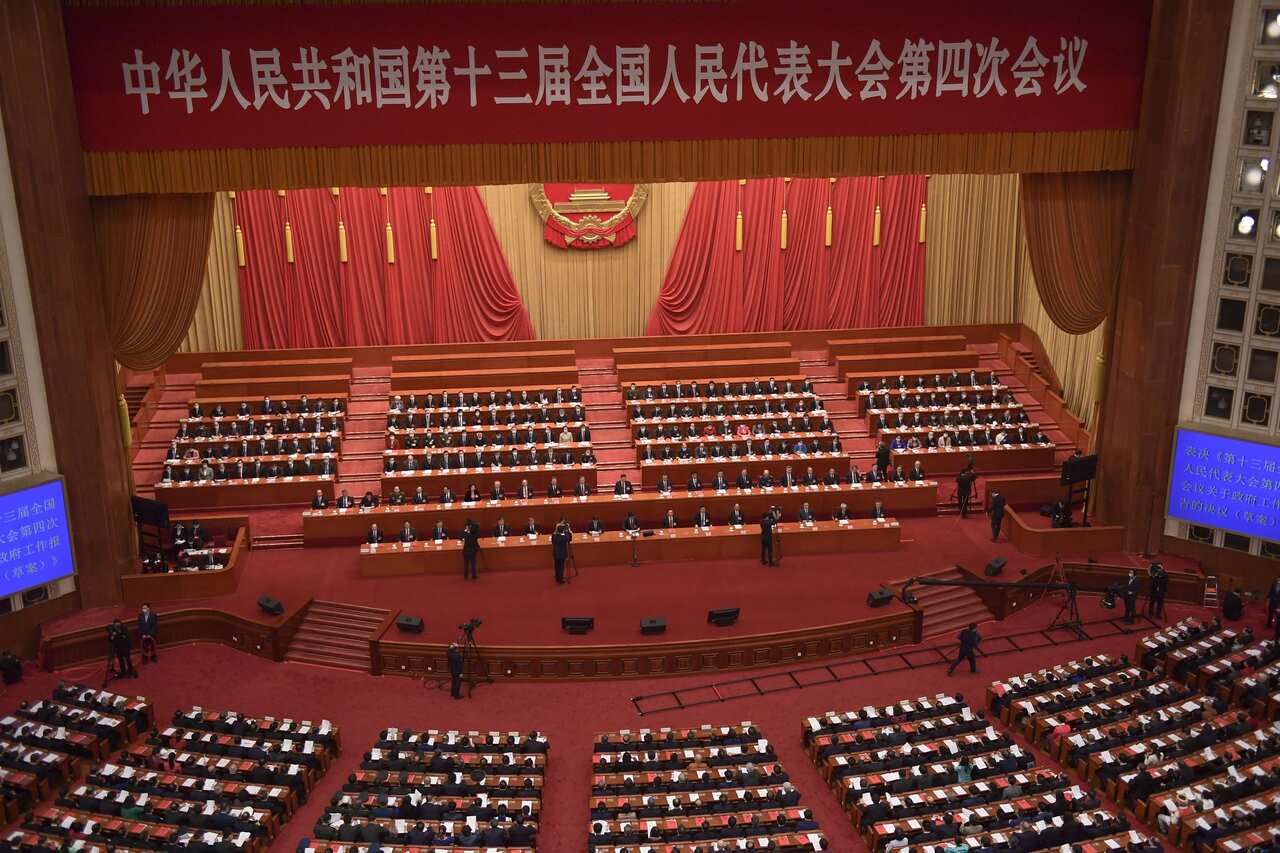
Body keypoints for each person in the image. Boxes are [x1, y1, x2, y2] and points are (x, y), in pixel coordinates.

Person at [552, 520, 572, 584]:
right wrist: (568, 529)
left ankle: (557, 577)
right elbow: (570, 538)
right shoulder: (564, 537)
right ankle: (560, 580)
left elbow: (554, 534)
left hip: (555, 553)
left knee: (556, 566)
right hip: (562, 554)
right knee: (561, 567)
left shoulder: (554, 535)